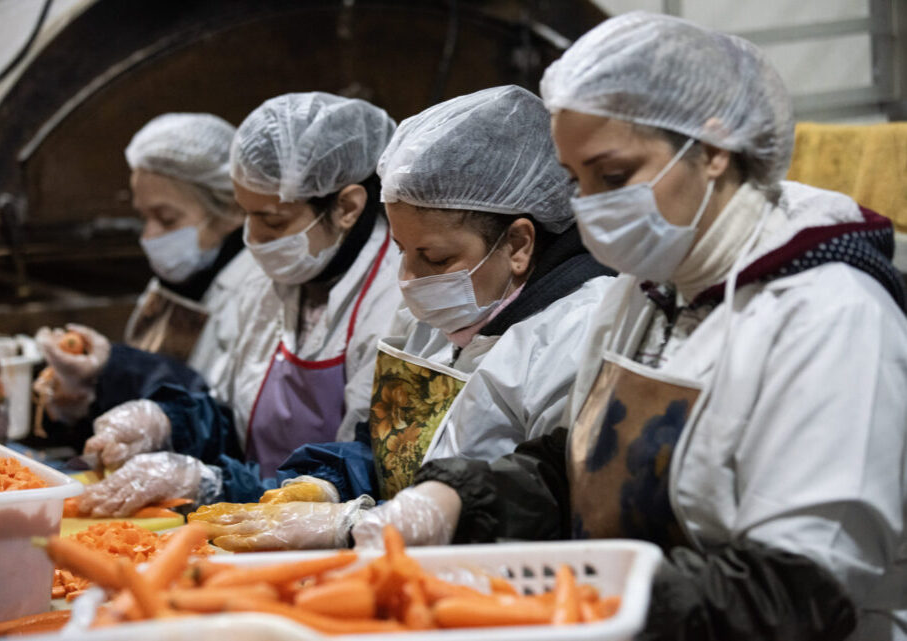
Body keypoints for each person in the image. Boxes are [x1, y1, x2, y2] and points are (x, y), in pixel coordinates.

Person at [235, 13, 906, 640]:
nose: (588, 208)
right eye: (575, 180)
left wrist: (555, 596)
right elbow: (586, 460)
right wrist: (453, 500)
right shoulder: (647, 291)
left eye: (613, 174)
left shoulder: (830, 315)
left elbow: (799, 591)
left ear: (715, 149)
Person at [187, 86, 617, 549]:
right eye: (400, 250)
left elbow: (553, 503)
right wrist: (329, 484)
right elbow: (389, 448)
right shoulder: (438, 313)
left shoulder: (580, 333)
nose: (408, 277)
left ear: (518, 245)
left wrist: (366, 525)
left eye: (434, 257)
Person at [75, 92, 403, 516]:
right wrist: (166, 420)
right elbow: (233, 415)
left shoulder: (396, 305)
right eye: (247, 214)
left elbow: (364, 472)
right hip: (248, 525)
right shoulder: (279, 279)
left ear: (347, 207)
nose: (253, 237)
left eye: (273, 221)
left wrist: (218, 485)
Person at [30, 113, 254, 444]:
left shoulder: (255, 289)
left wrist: (114, 366)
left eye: (166, 219)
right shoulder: (177, 279)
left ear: (232, 211)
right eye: (143, 217)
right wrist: (86, 393)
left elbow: (222, 417)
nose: (149, 236)